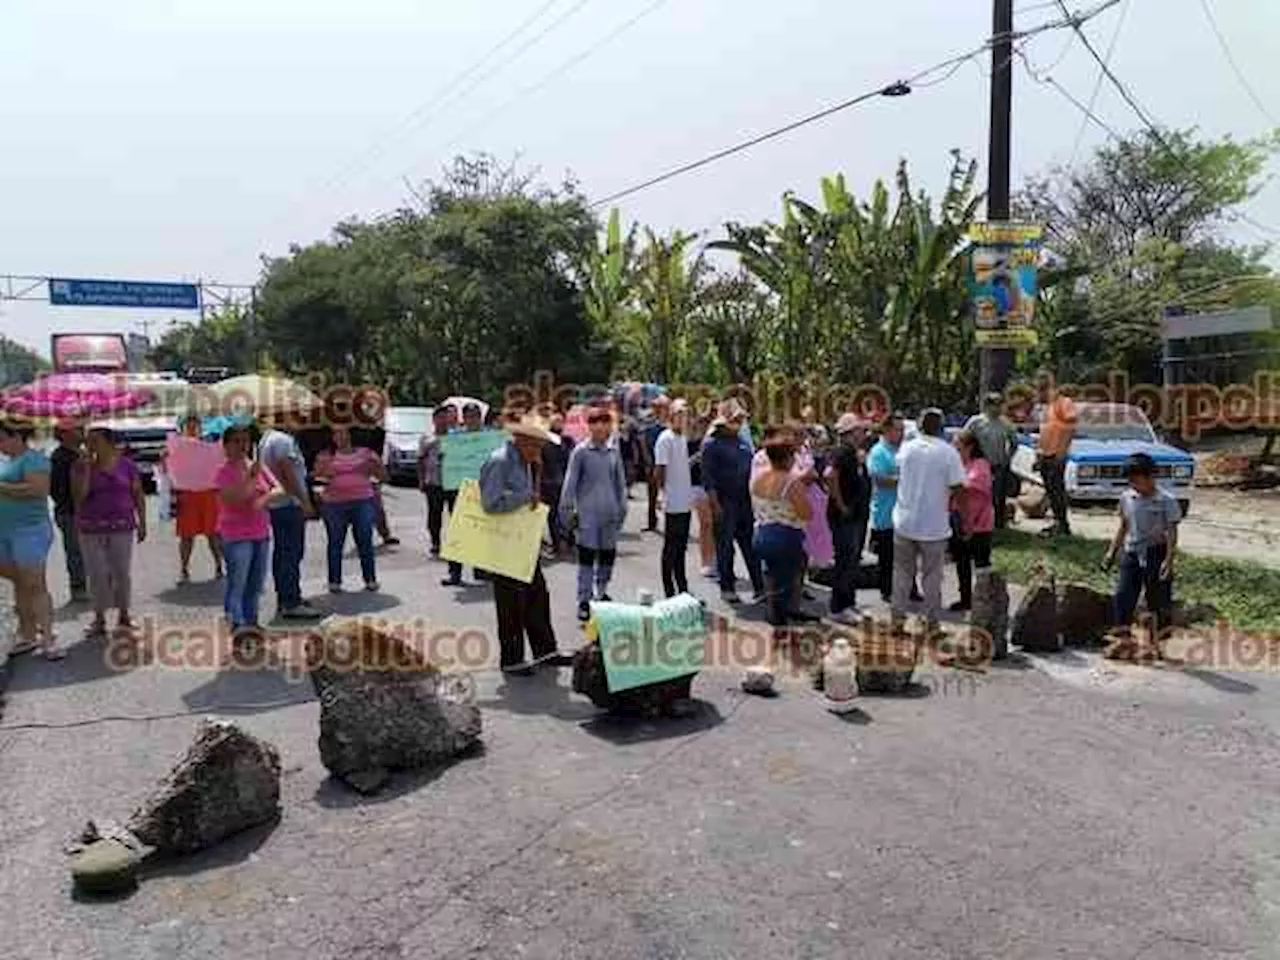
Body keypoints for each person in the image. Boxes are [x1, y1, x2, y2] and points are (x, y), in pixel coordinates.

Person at [479, 419, 567, 675]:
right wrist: (524, 497)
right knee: (510, 601)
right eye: (537, 445)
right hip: (504, 543)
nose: (540, 450)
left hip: (522, 541)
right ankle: (512, 659)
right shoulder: (500, 462)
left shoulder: (524, 462)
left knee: (537, 595)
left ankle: (545, 652)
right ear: (523, 441)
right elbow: (490, 503)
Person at [891, 408, 966, 637]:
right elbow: (957, 486)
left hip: (904, 520)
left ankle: (897, 620)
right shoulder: (948, 453)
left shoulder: (907, 448)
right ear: (941, 428)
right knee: (932, 576)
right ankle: (930, 623)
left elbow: (898, 471)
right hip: (934, 524)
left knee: (902, 573)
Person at [71, 427, 145, 638]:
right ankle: (99, 618)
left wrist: (143, 522)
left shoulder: (127, 465)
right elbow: (79, 497)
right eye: (88, 441)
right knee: (97, 574)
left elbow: (137, 493)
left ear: (110, 443)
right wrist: (85, 470)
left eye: (95, 440)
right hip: (91, 527)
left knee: (121, 572)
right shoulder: (80, 466)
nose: (90, 445)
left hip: (122, 525)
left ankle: (124, 614)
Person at [560, 408, 628, 621]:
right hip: (587, 516)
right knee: (587, 559)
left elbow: (620, 482)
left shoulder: (613, 451)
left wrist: (622, 508)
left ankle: (601, 592)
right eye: (596, 423)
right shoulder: (581, 452)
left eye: (605, 423)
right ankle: (584, 599)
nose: (601, 427)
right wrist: (567, 512)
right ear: (589, 426)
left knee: (607, 557)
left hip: (610, 514)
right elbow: (570, 484)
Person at [1104, 453, 1180, 638]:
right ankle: (1122, 636)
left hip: (1156, 552)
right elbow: (1123, 525)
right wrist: (1111, 552)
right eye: (1130, 481)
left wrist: (1168, 561)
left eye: (1136, 480)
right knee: (1123, 595)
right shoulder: (1127, 498)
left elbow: (1171, 533)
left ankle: (1161, 640)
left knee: (1157, 599)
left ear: (1149, 477)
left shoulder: (1166, 501)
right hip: (1132, 552)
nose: (1133, 485)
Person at [0, 420, 58, 658]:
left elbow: (37, 490)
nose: (0, 444)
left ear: (17, 437)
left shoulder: (34, 459)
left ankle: (47, 638)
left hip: (30, 530)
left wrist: (1, 487)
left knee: (34, 583)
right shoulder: (7, 463)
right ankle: (28, 634)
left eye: (2, 438)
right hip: (6, 531)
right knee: (21, 583)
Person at [217, 424, 282, 635]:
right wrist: (248, 478)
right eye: (236, 441)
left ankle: (251, 621)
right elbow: (232, 498)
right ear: (226, 446)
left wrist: (265, 498)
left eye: (245, 441)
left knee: (256, 582)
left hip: (260, 532)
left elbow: (279, 489)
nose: (242, 446)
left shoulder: (258, 466)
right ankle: (237, 622)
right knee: (238, 581)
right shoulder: (223, 472)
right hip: (236, 535)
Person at [702, 400, 765, 606]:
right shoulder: (712, 444)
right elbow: (708, 479)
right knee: (725, 546)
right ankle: (727, 587)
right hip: (724, 500)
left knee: (751, 545)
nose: (739, 422)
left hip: (745, 501)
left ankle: (759, 587)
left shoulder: (742, 442)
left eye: (741, 419)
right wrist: (715, 505)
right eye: (736, 419)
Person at [258, 416, 320, 620]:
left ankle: (286, 597)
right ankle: (291, 602)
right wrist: (304, 501)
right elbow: (288, 474)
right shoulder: (283, 441)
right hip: (289, 503)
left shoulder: (266, 438)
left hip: (276, 504)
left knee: (282, 553)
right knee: (292, 553)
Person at [750, 434, 812, 627]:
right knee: (785, 585)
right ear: (787, 458)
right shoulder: (791, 482)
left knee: (772, 578)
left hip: (762, 534)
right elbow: (806, 513)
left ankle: (775, 620)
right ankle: (782, 627)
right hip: (785, 537)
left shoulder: (758, 478)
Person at [314, 425, 382, 593]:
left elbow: (380, 474)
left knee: (365, 540)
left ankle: (370, 579)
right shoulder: (326, 455)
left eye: (343, 433)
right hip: (334, 503)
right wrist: (323, 472)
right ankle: (334, 581)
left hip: (362, 500)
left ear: (350, 435)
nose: (339, 437)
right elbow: (316, 477)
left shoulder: (365, 453)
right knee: (335, 542)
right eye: (336, 434)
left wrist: (375, 465)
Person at [866, 413, 918, 604]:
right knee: (888, 557)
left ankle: (911, 588)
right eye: (897, 429)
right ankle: (887, 590)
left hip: (907, 512)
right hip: (887, 513)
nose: (901, 433)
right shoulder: (879, 452)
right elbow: (879, 479)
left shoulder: (906, 450)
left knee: (909, 555)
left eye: (903, 429)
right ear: (887, 430)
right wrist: (903, 479)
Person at [826, 413, 872, 623]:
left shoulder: (853, 453)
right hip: (844, 516)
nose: (864, 433)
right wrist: (841, 503)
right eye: (861, 430)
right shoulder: (842, 451)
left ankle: (849, 603)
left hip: (856, 514)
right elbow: (829, 475)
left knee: (852, 560)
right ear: (851, 432)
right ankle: (838, 607)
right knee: (844, 561)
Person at [172, 414, 225, 583]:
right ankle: (184, 569)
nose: (193, 429)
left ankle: (219, 566)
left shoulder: (208, 444)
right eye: (189, 426)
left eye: (195, 426)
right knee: (186, 535)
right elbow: (168, 467)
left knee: (214, 534)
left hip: (209, 493)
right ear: (183, 428)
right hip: (187, 494)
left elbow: (220, 461)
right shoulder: (178, 446)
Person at [440, 402, 486, 587]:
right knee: (457, 532)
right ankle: (455, 573)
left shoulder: (488, 437)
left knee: (481, 530)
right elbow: (445, 458)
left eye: (476, 416)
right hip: (459, 489)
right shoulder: (454, 436)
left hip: (482, 489)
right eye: (469, 416)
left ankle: (481, 569)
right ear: (464, 418)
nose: (473, 419)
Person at [949, 430, 994, 612]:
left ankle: (986, 599)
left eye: (958, 447)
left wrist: (955, 485)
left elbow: (974, 484)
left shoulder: (980, 464)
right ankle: (965, 598)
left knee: (982, 564)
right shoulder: (957, 464)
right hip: (959, 519)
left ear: (970, 447)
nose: (955, 450)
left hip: (980, 523)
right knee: (962, 562)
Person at [654, 399, 693, 598]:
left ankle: (683, 587)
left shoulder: (683, 439)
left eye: (685, 415)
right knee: (671, 547)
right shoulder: (665, 438)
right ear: (671, 416)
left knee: (681, 547)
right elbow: (660, 469)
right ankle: (669, 590)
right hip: (673, 501)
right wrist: (661, 494)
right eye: (679, 414)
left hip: (685, 500)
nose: (682, 419)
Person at [964, 392, 1017, 529]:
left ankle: (998, 524)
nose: (999, 408)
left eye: (1000, 405)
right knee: (979, 495)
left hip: (998, 465)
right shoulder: (976, 422)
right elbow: (964, 439)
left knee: (998, 496)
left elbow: (1014, 442)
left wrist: (1008, 457)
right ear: (987, 406)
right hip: (979, 465)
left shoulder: (1005, 423)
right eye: (995, 405)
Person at [49, 422, 88, 603]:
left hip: (87, 510)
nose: (82, 432)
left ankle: (90, 583)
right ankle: (78, 586)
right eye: (77, 429)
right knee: (75, 550)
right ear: (64, 434)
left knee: (89, 550)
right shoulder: (60, 457)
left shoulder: (82, 454)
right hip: (69, 511)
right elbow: (55, 489)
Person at [1034, 375, 1077, 538]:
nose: (1038, 394)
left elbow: (1070, 426)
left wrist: (1062, 451)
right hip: (1046, 454)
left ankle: (1063, 524)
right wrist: (1038, 453)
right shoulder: (1047, 408)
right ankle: (1057, 522)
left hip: (1056, 455)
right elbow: (1044, 432)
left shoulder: (1064, 403)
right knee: (1051, 490)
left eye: (1040, 389)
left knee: (1057, 490)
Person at [419, 405, 456, 557]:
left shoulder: (456, 437)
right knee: (434, 515)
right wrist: (421, 480)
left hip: (452, 482)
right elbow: (420, 459)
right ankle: (435, 542)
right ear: (434, 420)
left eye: (445, 417)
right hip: (433, 482)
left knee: (455, 514)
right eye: (439, 417)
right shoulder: (427, 438)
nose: (443, 420)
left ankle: (456, 543)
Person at [541, 412, 575, 557]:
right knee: (557, 514)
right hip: (552, 483)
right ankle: (561, 542)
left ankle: (564, 542)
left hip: (560, 481)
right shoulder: (547, 441)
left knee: (560, 513)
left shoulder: (567, 441)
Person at [688, 412, 717, 579]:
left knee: (716, 525)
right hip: (697, 486)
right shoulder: (692, 443)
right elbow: (684, 466)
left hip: (715, 487)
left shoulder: (715, 445)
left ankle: (717, 559)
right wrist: (697, 456)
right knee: (706, 524)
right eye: (703, 424)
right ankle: (706, 562)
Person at [641, 396, 670, 533]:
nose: (659, 409)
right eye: (657, 407)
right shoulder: (649, 423)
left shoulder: (670, 425)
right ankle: (651, 522)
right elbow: (644, 442)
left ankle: (672, 522)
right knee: (652, 494)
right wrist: (647, 461)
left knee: (669, 494)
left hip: (667, 464)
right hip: (652, 462)